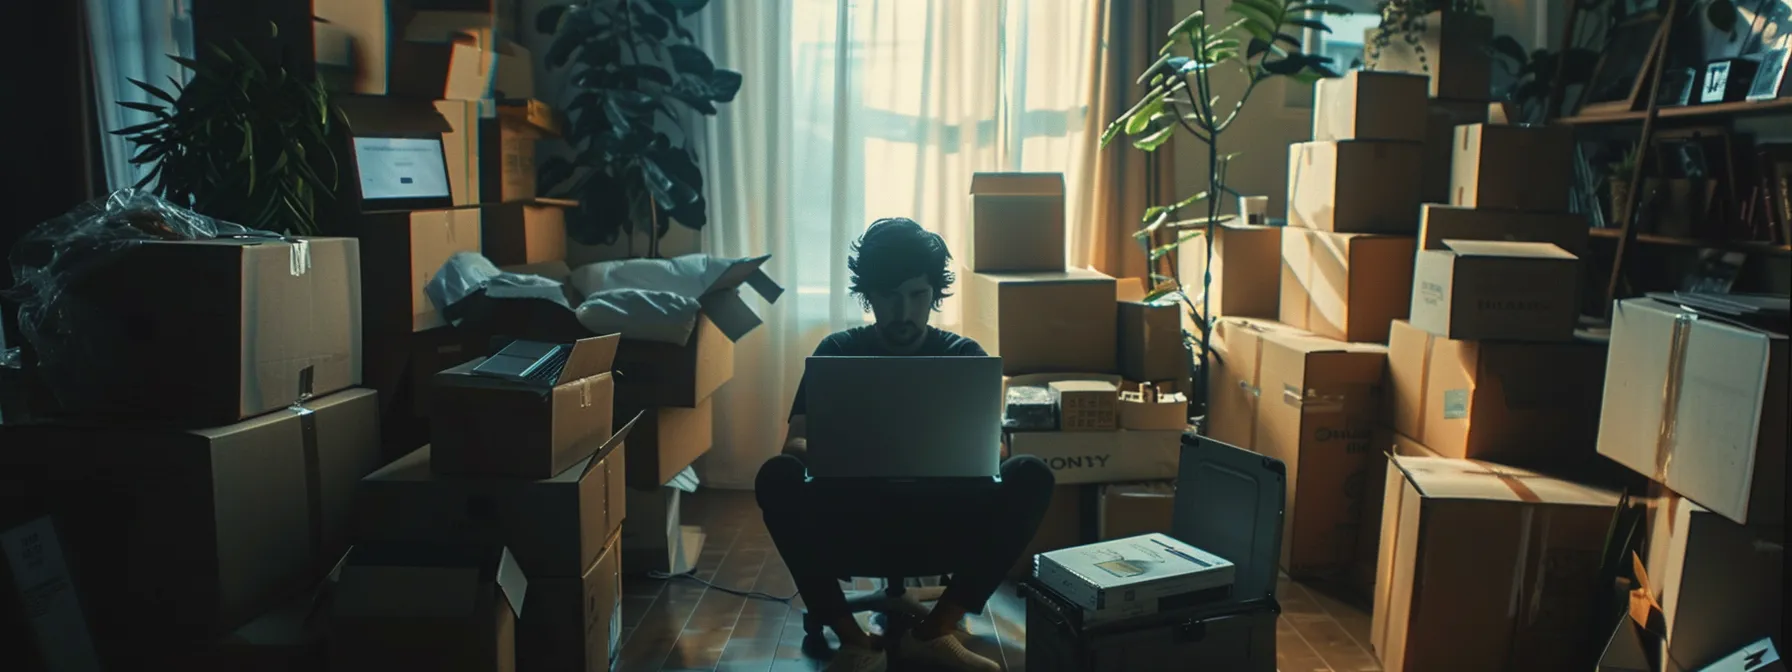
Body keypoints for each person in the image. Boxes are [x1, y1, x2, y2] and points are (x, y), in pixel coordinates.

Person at [755, 218, 1055, 672]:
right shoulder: (836, 352)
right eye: (889, 297)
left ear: (934, 294)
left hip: (943, 514)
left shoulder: (963, 357)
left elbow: (998, 457)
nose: (903, 312)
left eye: (917, 296)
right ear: (868, 296)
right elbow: (794, 445)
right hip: (854, 513)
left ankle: (935, 633)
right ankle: (854, 641)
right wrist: (818, 447)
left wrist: (969, 452)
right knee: (776, 475)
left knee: (1031, 473)